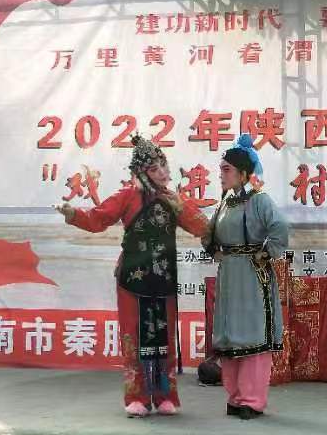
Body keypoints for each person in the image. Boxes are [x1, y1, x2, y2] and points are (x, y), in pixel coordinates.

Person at [56, 134, 209, 417]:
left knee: (164, 337)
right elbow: (98, 219)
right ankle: (136, 396)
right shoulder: (127, 195)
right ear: (141, 172)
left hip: (163, 278)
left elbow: (201, 228)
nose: (162, 172)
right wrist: (72, 214)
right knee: (133, 336)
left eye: (163, 166)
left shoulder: (173, 199)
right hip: (132, 279)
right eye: (154, 168)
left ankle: (165, 396)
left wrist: (180, 204)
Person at [202, 134, 289, 420]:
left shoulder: (259, 200)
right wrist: (212, 248)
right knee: (229, 335)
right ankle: (236, 396)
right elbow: (209, 233)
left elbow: (279, 228)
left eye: (226, 170)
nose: (221, 175)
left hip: (252, 276)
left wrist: (266, 253)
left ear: (242, 174)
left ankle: (252, 400)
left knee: (252, 334)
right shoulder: (224, 203)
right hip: (229, 275)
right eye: (221, 169)